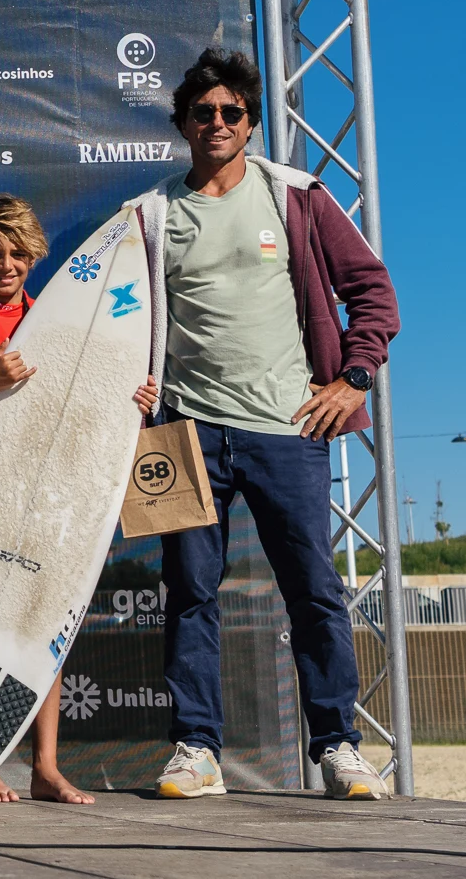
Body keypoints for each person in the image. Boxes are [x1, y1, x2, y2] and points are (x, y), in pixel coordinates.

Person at [126, 50, 398, 801]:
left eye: (232, 113)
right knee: (189, 591)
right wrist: (134, 383)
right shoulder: (149, 214)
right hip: (179, 433)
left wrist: (354, 377)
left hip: (289, 430)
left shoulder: (299, 195)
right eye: (203, 112)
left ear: (250, 122)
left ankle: (339, 744)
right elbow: (117, 320)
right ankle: (197, 748)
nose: (217, 123)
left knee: (312, 588)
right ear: (182, 122)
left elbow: (372, 291)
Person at [0, 194, 159, 804]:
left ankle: (46, 767)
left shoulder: (62, 319)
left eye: (19, 254)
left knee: (38, 625)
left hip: (52, 498)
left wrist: (135, 402)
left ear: (36, 258)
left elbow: (90, 401)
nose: (5, 265)